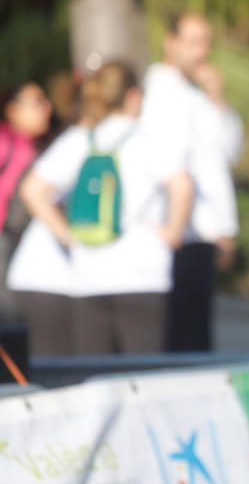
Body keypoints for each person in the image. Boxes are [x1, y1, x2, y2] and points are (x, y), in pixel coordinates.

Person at [15, 63, 193, 354]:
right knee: (142, 375)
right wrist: (173, 232)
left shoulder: (81, 139)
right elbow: (182, 185)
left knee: (95, 378)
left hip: (88, 271)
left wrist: (68, 236)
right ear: (134, 97)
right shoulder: (147, 140)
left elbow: (33, 190)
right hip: (143, 271)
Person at [140, 13, 240, 351]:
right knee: (182, 346)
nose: (201, 52)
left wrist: (217, 98)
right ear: (171, 43)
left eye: (206, 43)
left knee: (195, 342)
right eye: (193, 42)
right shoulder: (161, 92)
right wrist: (175, 229)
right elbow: (172, 170)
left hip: (199, 236)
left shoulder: (195, 96)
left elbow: (224, 157)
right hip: (180, 236)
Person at [0, 83, 55, 323]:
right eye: (36, 103)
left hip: (22, 240)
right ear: (12, 110)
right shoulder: (5, 142)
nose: (46, 108)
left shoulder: (43, 146)